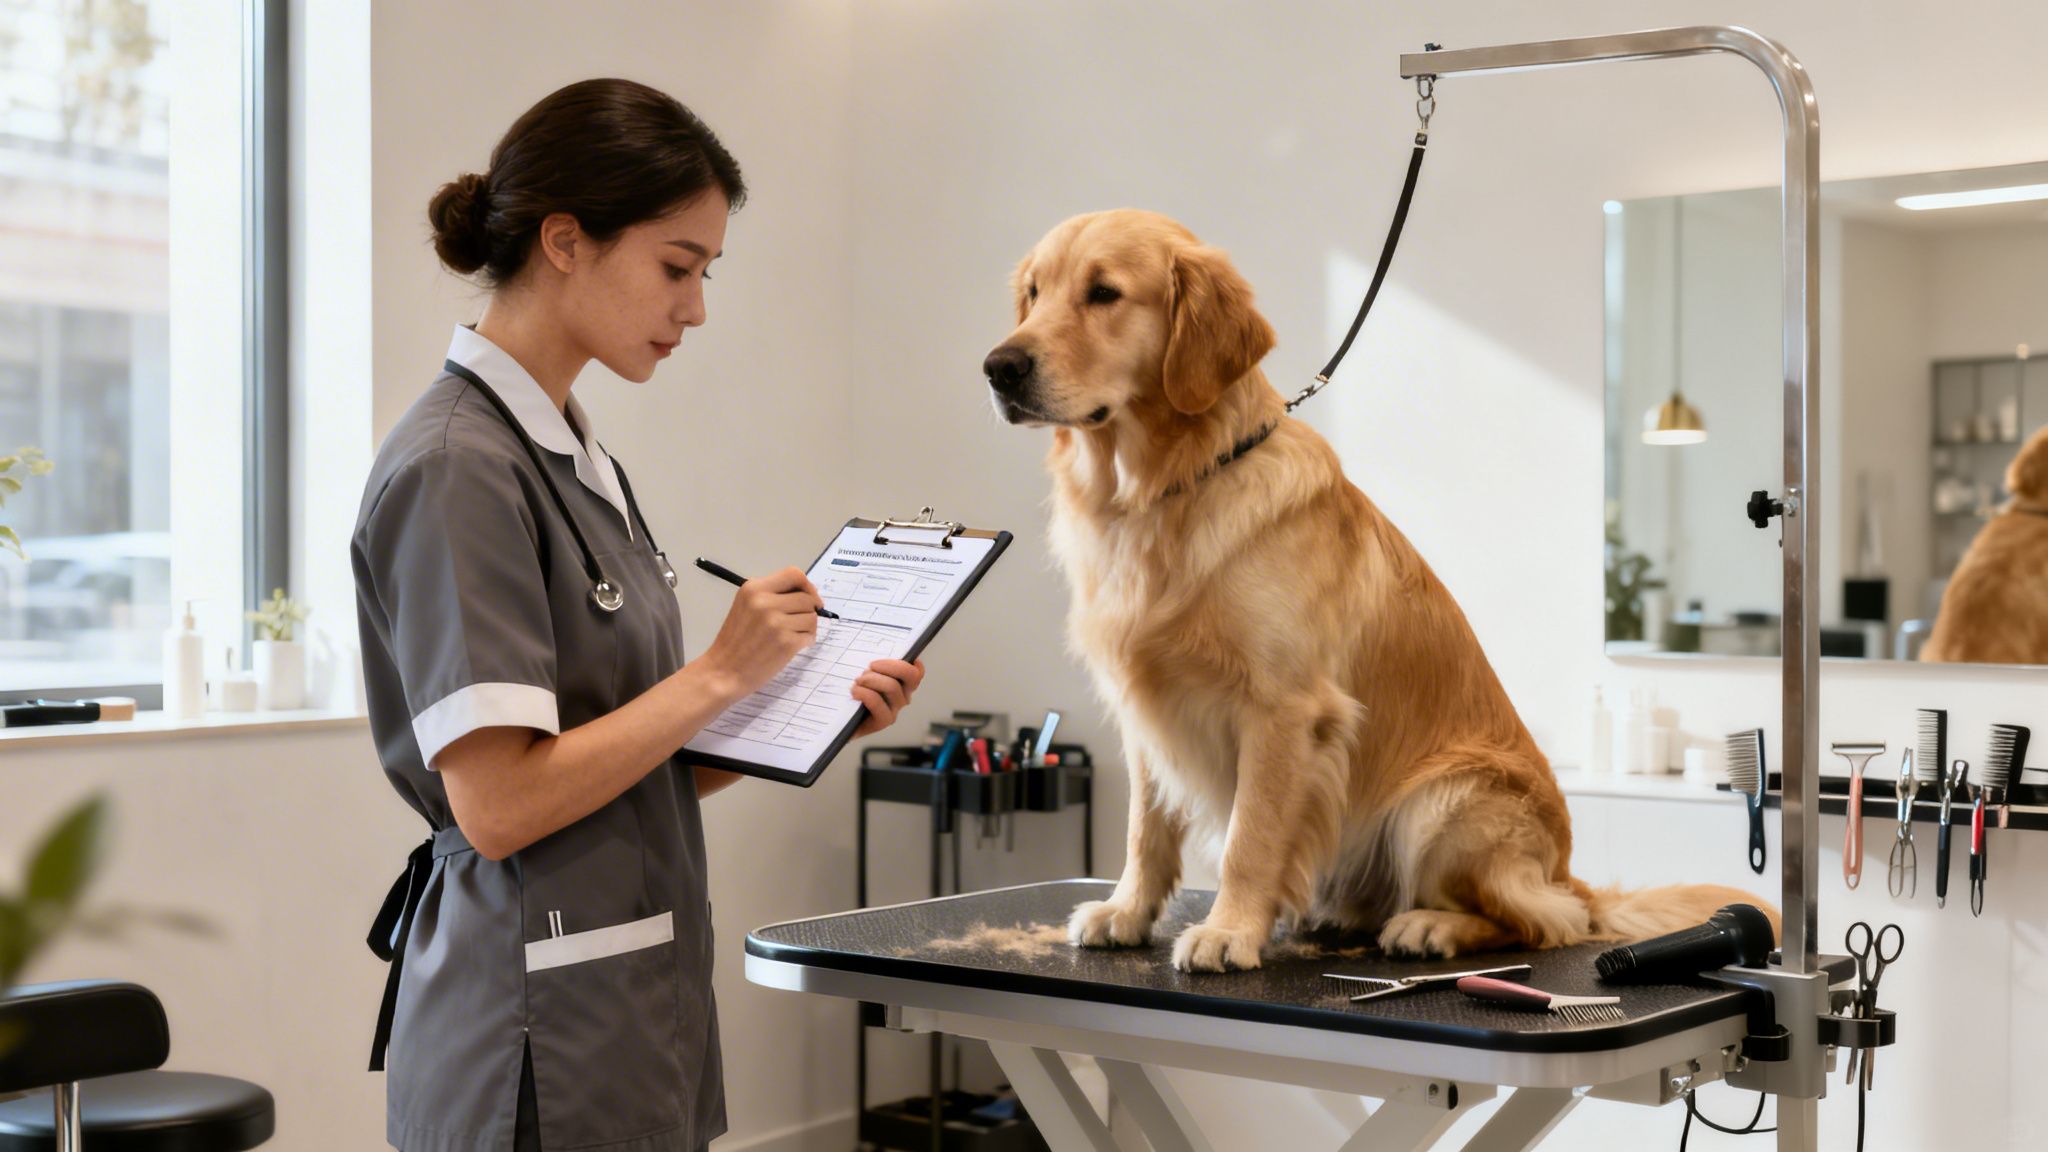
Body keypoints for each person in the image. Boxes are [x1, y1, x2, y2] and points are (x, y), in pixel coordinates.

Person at [350, 78, 924, 1152]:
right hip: (527, 1034)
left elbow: (645, 763)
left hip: (625, 1010)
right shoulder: (456, 469)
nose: (695, 307)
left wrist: (799, 704)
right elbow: (501, 805)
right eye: (676, 266)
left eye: (705, 272)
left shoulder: (572, 454)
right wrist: (716, 673)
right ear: (564, 239)